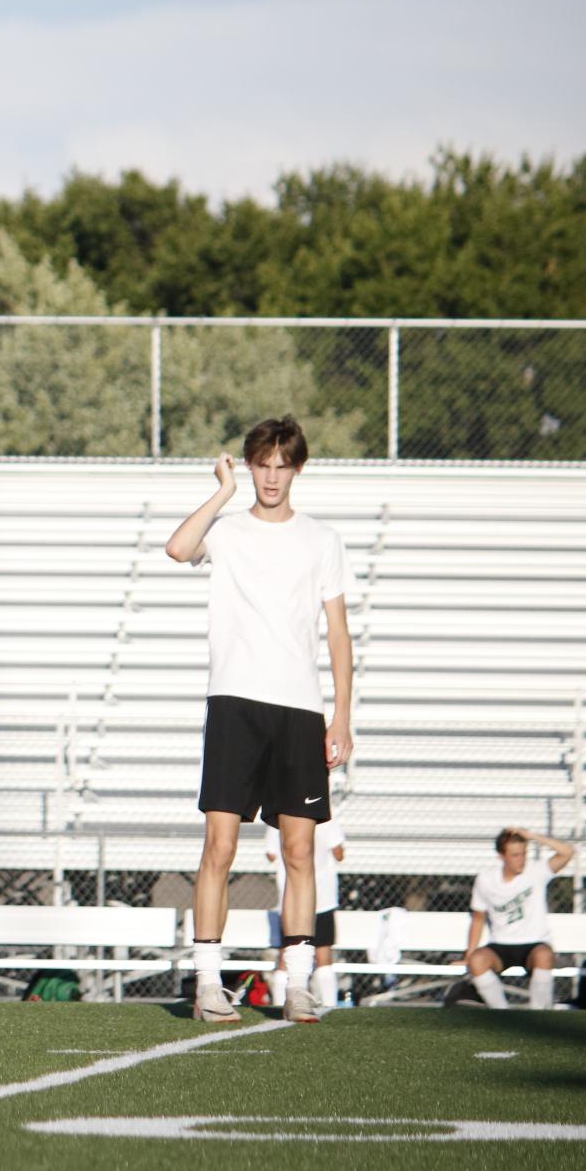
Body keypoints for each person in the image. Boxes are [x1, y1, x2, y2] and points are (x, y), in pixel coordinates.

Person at [164, 416, 352, 1024]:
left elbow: (339, 634)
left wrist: (341, 716)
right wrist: (220, 493)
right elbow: (177, 548)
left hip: (299, 710)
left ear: (298, 468)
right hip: (234, 705)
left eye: (282, 465)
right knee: (219, 845)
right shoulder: (229, 530)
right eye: (261, 464)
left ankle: (298, 984)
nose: (271, 476)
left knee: (300, 850)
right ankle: (208, 984)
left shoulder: (322, 540)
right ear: (250, 466)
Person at [464, 827, 576, 1011]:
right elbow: (478, 918)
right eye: (515, 855)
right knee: (477, 960)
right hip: (501, 945)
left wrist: (531, 836)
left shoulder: (536, 871)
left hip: (534, 945)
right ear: (501, 856)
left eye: (524, 853)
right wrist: (469, 955)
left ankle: (539, 1017)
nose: (521, 859)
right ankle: (502, 1016)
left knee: (544, 955)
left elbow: (567, 852)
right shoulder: (486, 879)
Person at [266, 818, 346, 1010]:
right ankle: (327, 1005)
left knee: (288, 953)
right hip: (319, 897)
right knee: (322, 953)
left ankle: (282, 1002)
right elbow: (339, 853)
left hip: (295, 897)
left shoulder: (278, 818)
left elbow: (271, 854)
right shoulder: (326, 818)